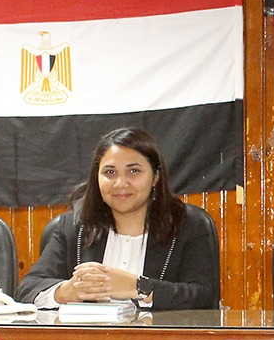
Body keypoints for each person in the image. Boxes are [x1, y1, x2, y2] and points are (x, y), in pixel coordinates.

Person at [16, 126, 218, 310]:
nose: (121, 183)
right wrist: (67, 291)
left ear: (155, 177)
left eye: (133, 171)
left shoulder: (188, 225)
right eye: (110, 172)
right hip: (88, 338)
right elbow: (28, 288)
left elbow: (203, 296)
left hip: (159, 339)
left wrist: (139, 287)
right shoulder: (74, 226)